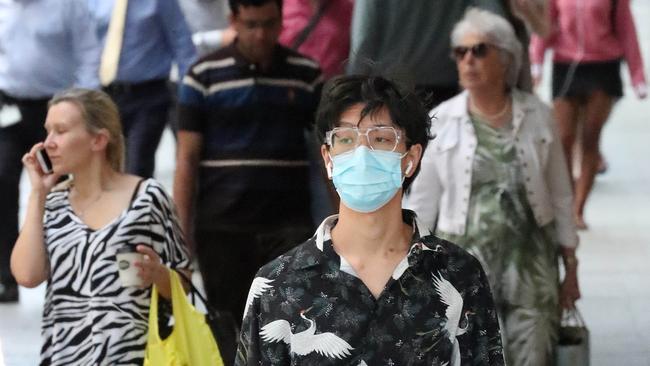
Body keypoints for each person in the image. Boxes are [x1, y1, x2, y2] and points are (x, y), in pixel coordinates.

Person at [236, 75, 506, 365]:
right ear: (328, 158)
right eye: (346, 139)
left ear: (411, 158)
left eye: (381, 139)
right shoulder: (278, 283)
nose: (361, 154)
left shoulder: (458, 273)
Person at [404, 9, 580, 365]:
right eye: (461, 52)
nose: (468, 59)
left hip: (533, 269)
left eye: (480, 50)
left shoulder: (538, 116)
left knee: (534, 356)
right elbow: (422, 205)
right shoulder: (443, 121)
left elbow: (561, 195)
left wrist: (571, 266)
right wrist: (412, 269)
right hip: (466, 271)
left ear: (507, 59)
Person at [174, 0, 323, 355]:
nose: (261, 34)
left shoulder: (306, 75)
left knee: (289, 330)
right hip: (222, 227)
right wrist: (181, 241)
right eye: (252, 24)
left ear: (282, 21)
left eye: (270, 24)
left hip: (288, 227)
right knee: (229, 331)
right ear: (234, 22)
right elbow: (186, 161)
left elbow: (326, 156)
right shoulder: (202, 76)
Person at [10, 89, 191, 365]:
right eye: (47, 132)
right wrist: (37, 194)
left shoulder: (147, 198)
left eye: (60, 131)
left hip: (134, 356)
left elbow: (185, 282)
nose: (48, 143)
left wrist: (159, 275)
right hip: (64, 356)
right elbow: (27, 275)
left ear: (98, 139)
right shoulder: (53, 202)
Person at [0, 0, 101, 303]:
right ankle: (7, 274)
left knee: (61, 190)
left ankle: (66, 266)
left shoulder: (67, 5)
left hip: (55, 113)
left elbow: (88, 52)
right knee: (2, 179)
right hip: (9, 107)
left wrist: (87, 108)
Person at [530, 0, 647, 229]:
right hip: (566, 64)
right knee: (563, 138)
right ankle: (566, 201)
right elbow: (546, 24)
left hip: (603, 66)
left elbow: (627, 30)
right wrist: (536, 61)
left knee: (590, 138)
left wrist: (638, 75)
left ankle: (578, 209)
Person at [87, 0, 197, 178]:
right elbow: (86, 47)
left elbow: (183, 46)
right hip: (104, 95)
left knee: (137, 166)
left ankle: (139, 204)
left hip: (148, 95)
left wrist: (191, 98)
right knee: (105, 168)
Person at [346, 0, 504, 110]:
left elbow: (363, 41)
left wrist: (350, 93)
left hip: (388, 92)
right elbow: (495, 21)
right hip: (445, 92)